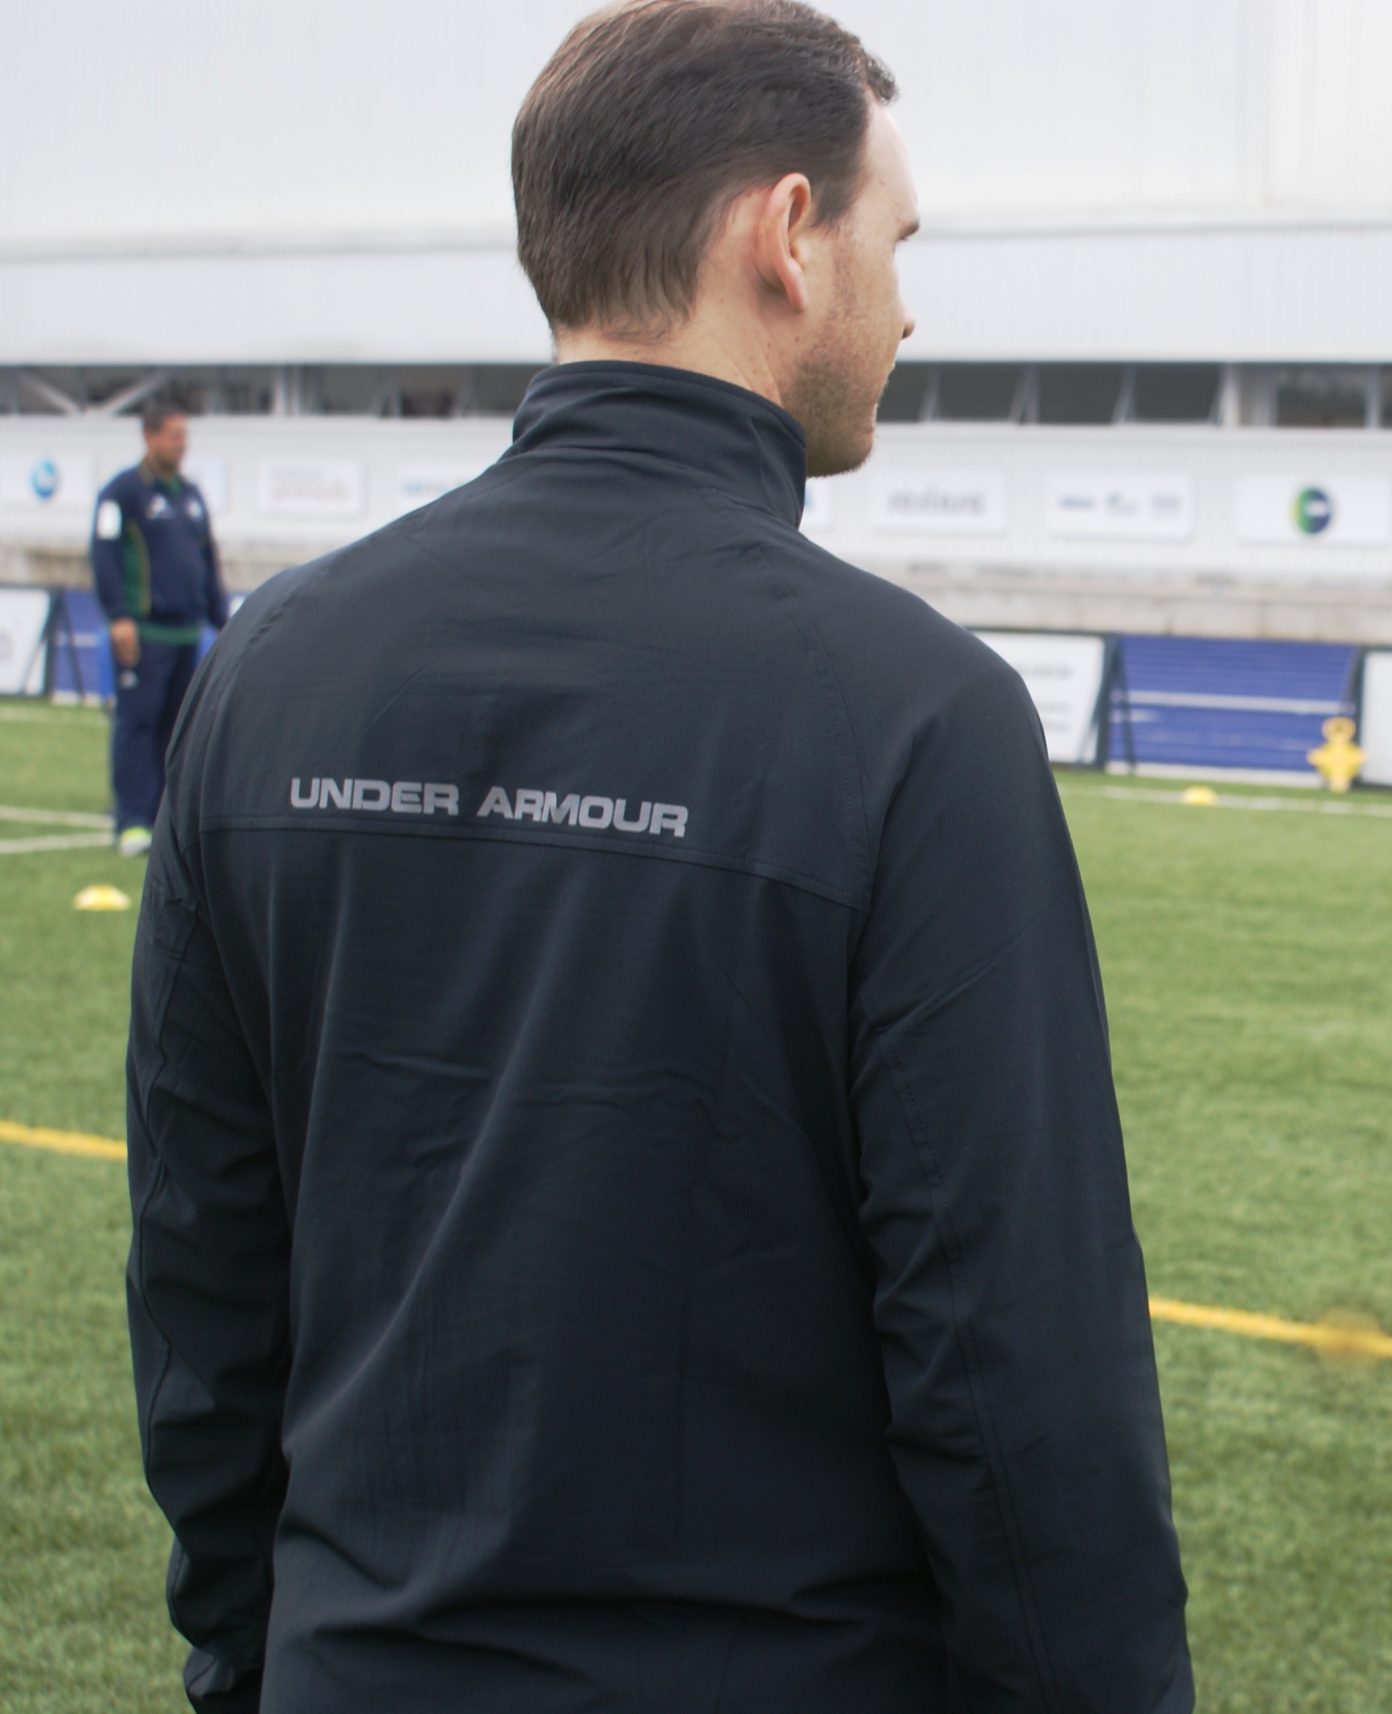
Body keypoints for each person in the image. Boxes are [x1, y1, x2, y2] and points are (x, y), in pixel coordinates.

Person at [123, 5, 1190, 1711]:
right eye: (892, 240)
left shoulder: (276, 662)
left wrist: (255, 1656)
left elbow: (201, 1271)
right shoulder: (918, 714)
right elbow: (1014, 1371)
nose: (906, 303)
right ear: (784, 236)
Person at [91, 398, 225, 857]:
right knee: (138, 724)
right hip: (143, 635)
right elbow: (104, 557)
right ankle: (132, 821)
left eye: (185, 436)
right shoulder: (122, 493)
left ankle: (167, 822)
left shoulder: (190, 495)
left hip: (188, 634)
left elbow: (207, 563)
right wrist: (118, 617)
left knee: (179, 731)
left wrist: (223, 622)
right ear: (149, 437)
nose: (181, 444)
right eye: (174, 436)